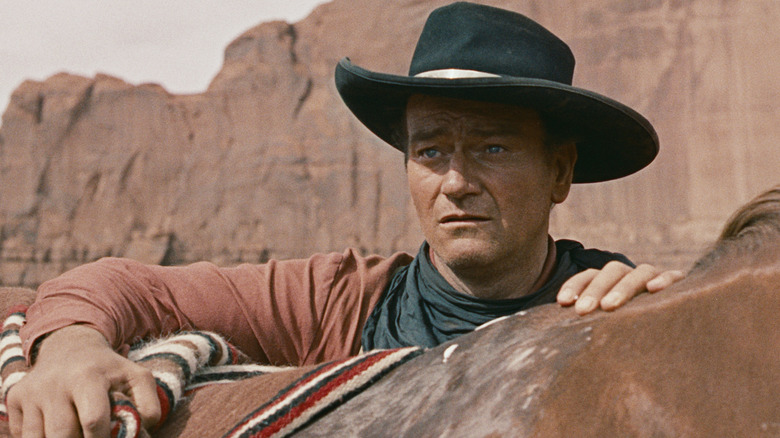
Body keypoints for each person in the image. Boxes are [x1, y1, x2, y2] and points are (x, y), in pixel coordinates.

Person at [7, 2, 684, 437]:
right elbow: (121, 287)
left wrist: (677, 308)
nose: (456, 181)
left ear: (559, 172)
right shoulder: (341, 301)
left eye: (492, 147)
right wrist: (70, 351)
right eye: (432, 150)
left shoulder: (617, 304)